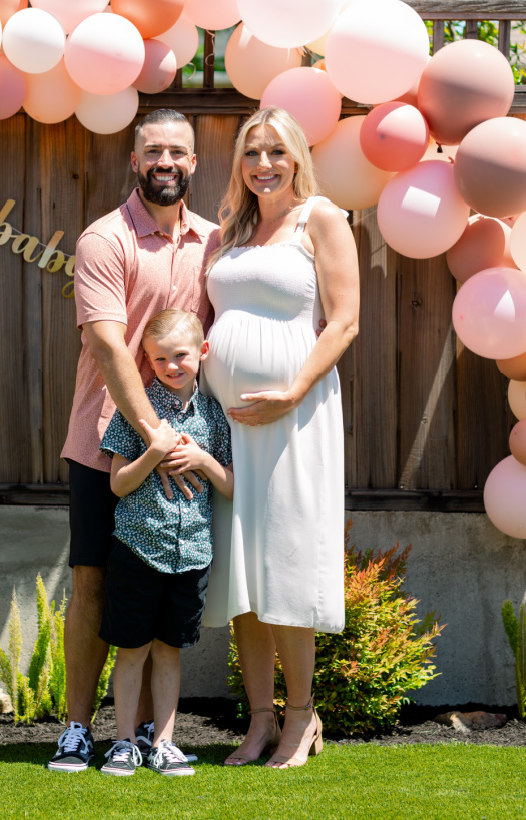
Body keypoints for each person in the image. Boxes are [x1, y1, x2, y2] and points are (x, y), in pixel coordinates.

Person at [49, 110, 220, 773]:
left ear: (194, 162)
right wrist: (155, 437)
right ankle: (75, 729)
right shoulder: (105, 239)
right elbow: (108, 345)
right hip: (107, 442)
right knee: (94, 581)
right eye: (153, 151)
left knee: (162, 585)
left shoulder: (214, 242)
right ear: (134, 161)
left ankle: (146, 731)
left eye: (177, 151)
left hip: (188, 445)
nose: (165, 161)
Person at [200, 106, 360, 769]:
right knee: (241, 571)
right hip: (228, 423)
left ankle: (302, 716)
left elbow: (344, 322)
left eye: (275, 152)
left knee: (285, 562)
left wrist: (292, 390)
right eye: (251, 152)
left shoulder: (320, 218)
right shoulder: (229, 231)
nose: (263, 164)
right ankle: (261, 719)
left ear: (297, 158)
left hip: (294, 417)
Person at [97, 309, 233, 778]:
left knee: (169, 652)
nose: (171, 366)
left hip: (191, 554)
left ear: (202, 352)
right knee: (132, 651)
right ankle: (123, 743)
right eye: (159, 359)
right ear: (147, 361)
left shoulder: (213, 416)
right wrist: (154, 450)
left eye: (180, 355)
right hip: (138, 549)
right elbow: (118, 484)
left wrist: (203, 460)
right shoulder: (136, 413)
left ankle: (164, 744)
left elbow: (231, 487)